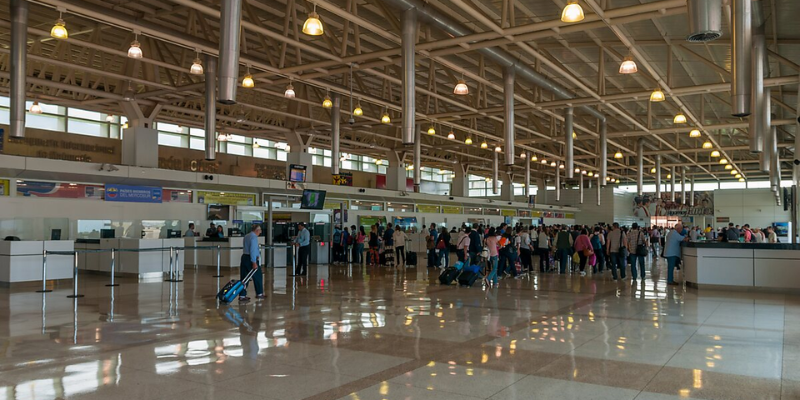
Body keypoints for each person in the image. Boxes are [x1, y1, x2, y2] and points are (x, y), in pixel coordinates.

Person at [239, 224, 264, 302]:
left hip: (244, 257)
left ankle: (242, 295)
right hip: (250, 259)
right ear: (257, 230)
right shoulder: (253, 237)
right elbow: (252, 250)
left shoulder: (246, 236)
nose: (260, 232)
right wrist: (254, 262)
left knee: (244, 278)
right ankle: (259, 293)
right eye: (260, 230)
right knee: (258, 276)